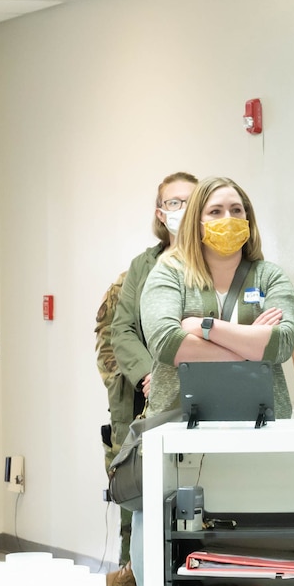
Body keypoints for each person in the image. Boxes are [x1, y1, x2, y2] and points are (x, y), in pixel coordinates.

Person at [141, 176, 294, 420]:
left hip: (260, 423)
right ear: (197, 222)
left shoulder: (269, 276)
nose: (228, 218)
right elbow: (166, 342)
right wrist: (248, 351)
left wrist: (206, 328)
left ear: (248, 218)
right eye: (215, 211)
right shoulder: (169, 272)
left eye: (236, 210)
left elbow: (282, 343)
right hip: (177, 424)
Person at [104, 171, 197, 562]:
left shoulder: (218, 262)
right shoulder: (142, 267)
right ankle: (133, 578)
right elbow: (120, 329)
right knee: (142, 494)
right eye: (173, 202)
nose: (182, 210)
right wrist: (149, 373)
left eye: (190, 201)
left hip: (199, 393)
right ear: (160, 212)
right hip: (148, 399)